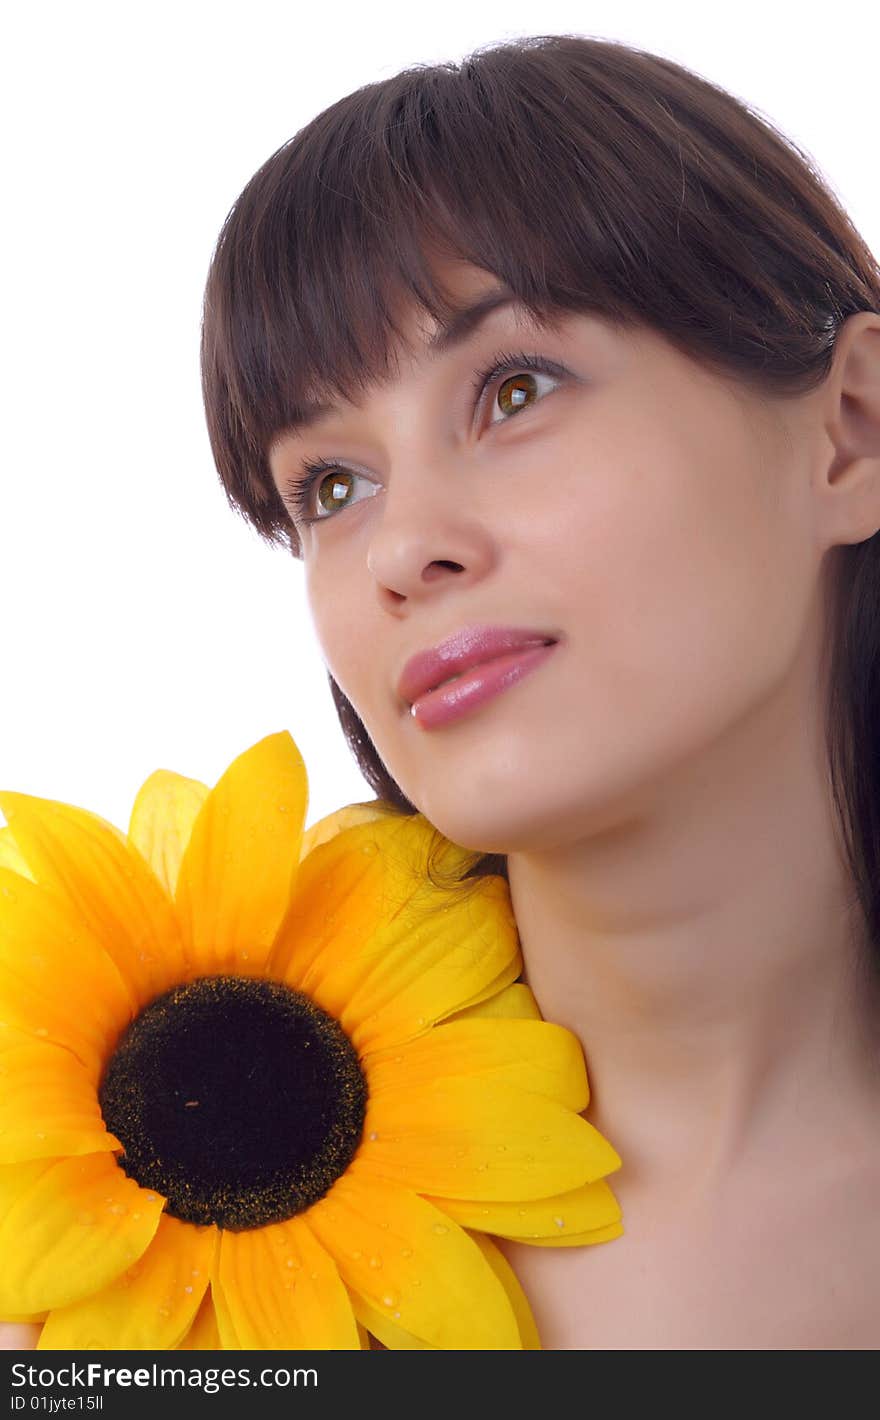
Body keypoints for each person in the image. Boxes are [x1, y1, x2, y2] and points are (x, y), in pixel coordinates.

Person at [5, 31, 880, 1351]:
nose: (406, 549)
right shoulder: (107, 1235)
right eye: (329, 487)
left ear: (851, 429)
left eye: (514, 390)